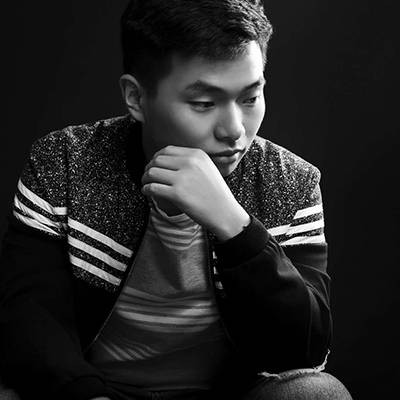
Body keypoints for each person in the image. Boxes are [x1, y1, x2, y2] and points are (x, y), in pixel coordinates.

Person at [0, 1, 353, 399]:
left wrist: (235, 226)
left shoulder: (290, 182)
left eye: (251, 98)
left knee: (316, 393)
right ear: (136, 98)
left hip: (231, 395)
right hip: (94, 392)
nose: (234, 130)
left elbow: (304, 353)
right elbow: (30, 327)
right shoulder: (64, 162)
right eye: (204, 104)